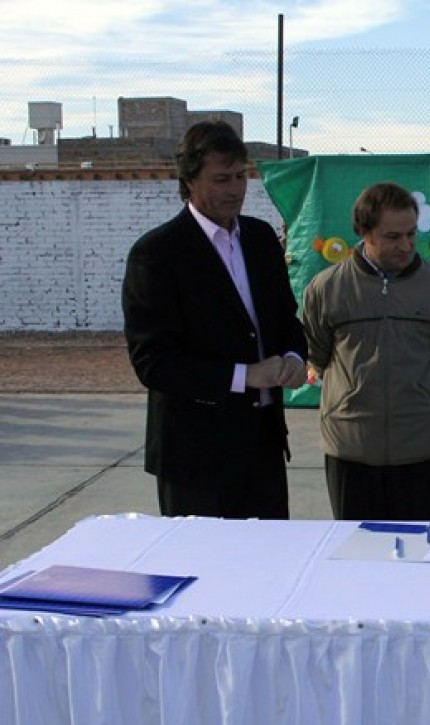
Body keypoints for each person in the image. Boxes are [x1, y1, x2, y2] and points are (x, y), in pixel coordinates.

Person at [122, 120, 308, 519]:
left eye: (241, 176)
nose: (235, 189)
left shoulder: (260, 241)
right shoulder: (157, 255)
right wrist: (245, 375)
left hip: (263, 447)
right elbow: (154, 363)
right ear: (189, 180)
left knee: (268, 571)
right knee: (204, 575)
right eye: (222, 178)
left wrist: (294, 356)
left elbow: (286, 319)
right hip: (194, 459)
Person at [301, 182, 430, 520]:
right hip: (350, 454)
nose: (406, 245)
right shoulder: (326, 289)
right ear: (364, 232)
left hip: (422, 453)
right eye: (393, 237)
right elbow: (319, 355)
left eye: (411, 234)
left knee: (421, 562)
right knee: (358, 564)